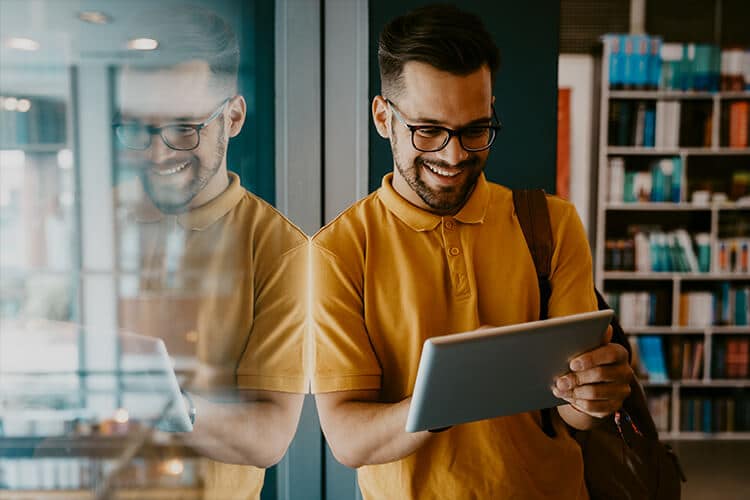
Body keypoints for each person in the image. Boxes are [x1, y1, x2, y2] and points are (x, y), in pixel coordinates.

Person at [311, 4, 632, 499]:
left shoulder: (552, 223)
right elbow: (349, 439)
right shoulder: (338, 252)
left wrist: (593, 394)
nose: (454, 154)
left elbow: (574, 415)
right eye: (428, 130)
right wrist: (445, 396)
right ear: (383, 118)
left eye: (474, 129)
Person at [113, 8, 307, 500]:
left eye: (184, 128)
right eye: (138, 129)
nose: (158, 154)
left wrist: (164, 404)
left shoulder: (281, 249)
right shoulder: (100, 217)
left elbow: (270, 438)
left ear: (234, 117)